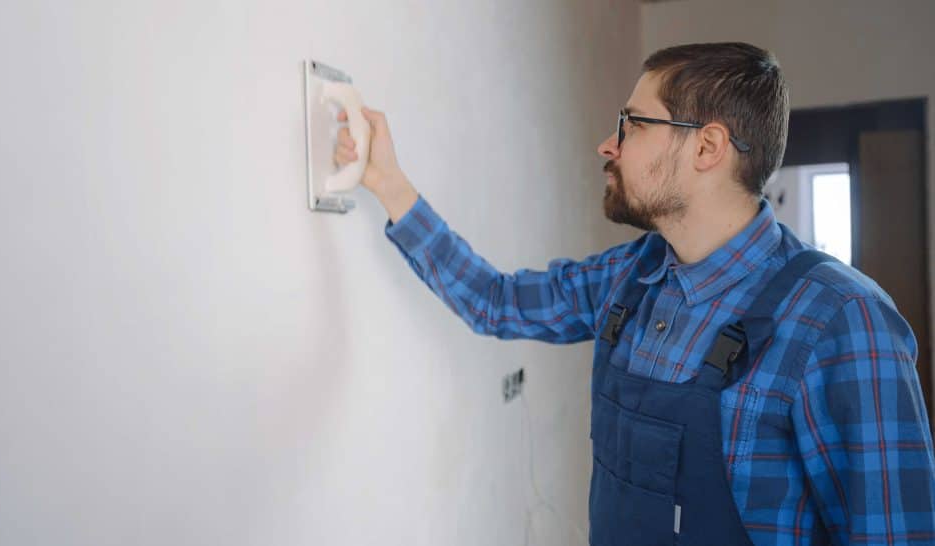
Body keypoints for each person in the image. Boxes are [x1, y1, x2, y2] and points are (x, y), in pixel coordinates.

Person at [333, 42, 935, 545]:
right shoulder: (631, 276)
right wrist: (388, 182)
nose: (608, 144)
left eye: (634, 124)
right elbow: (497, 301)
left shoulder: (841, 319)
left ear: (707, 148)